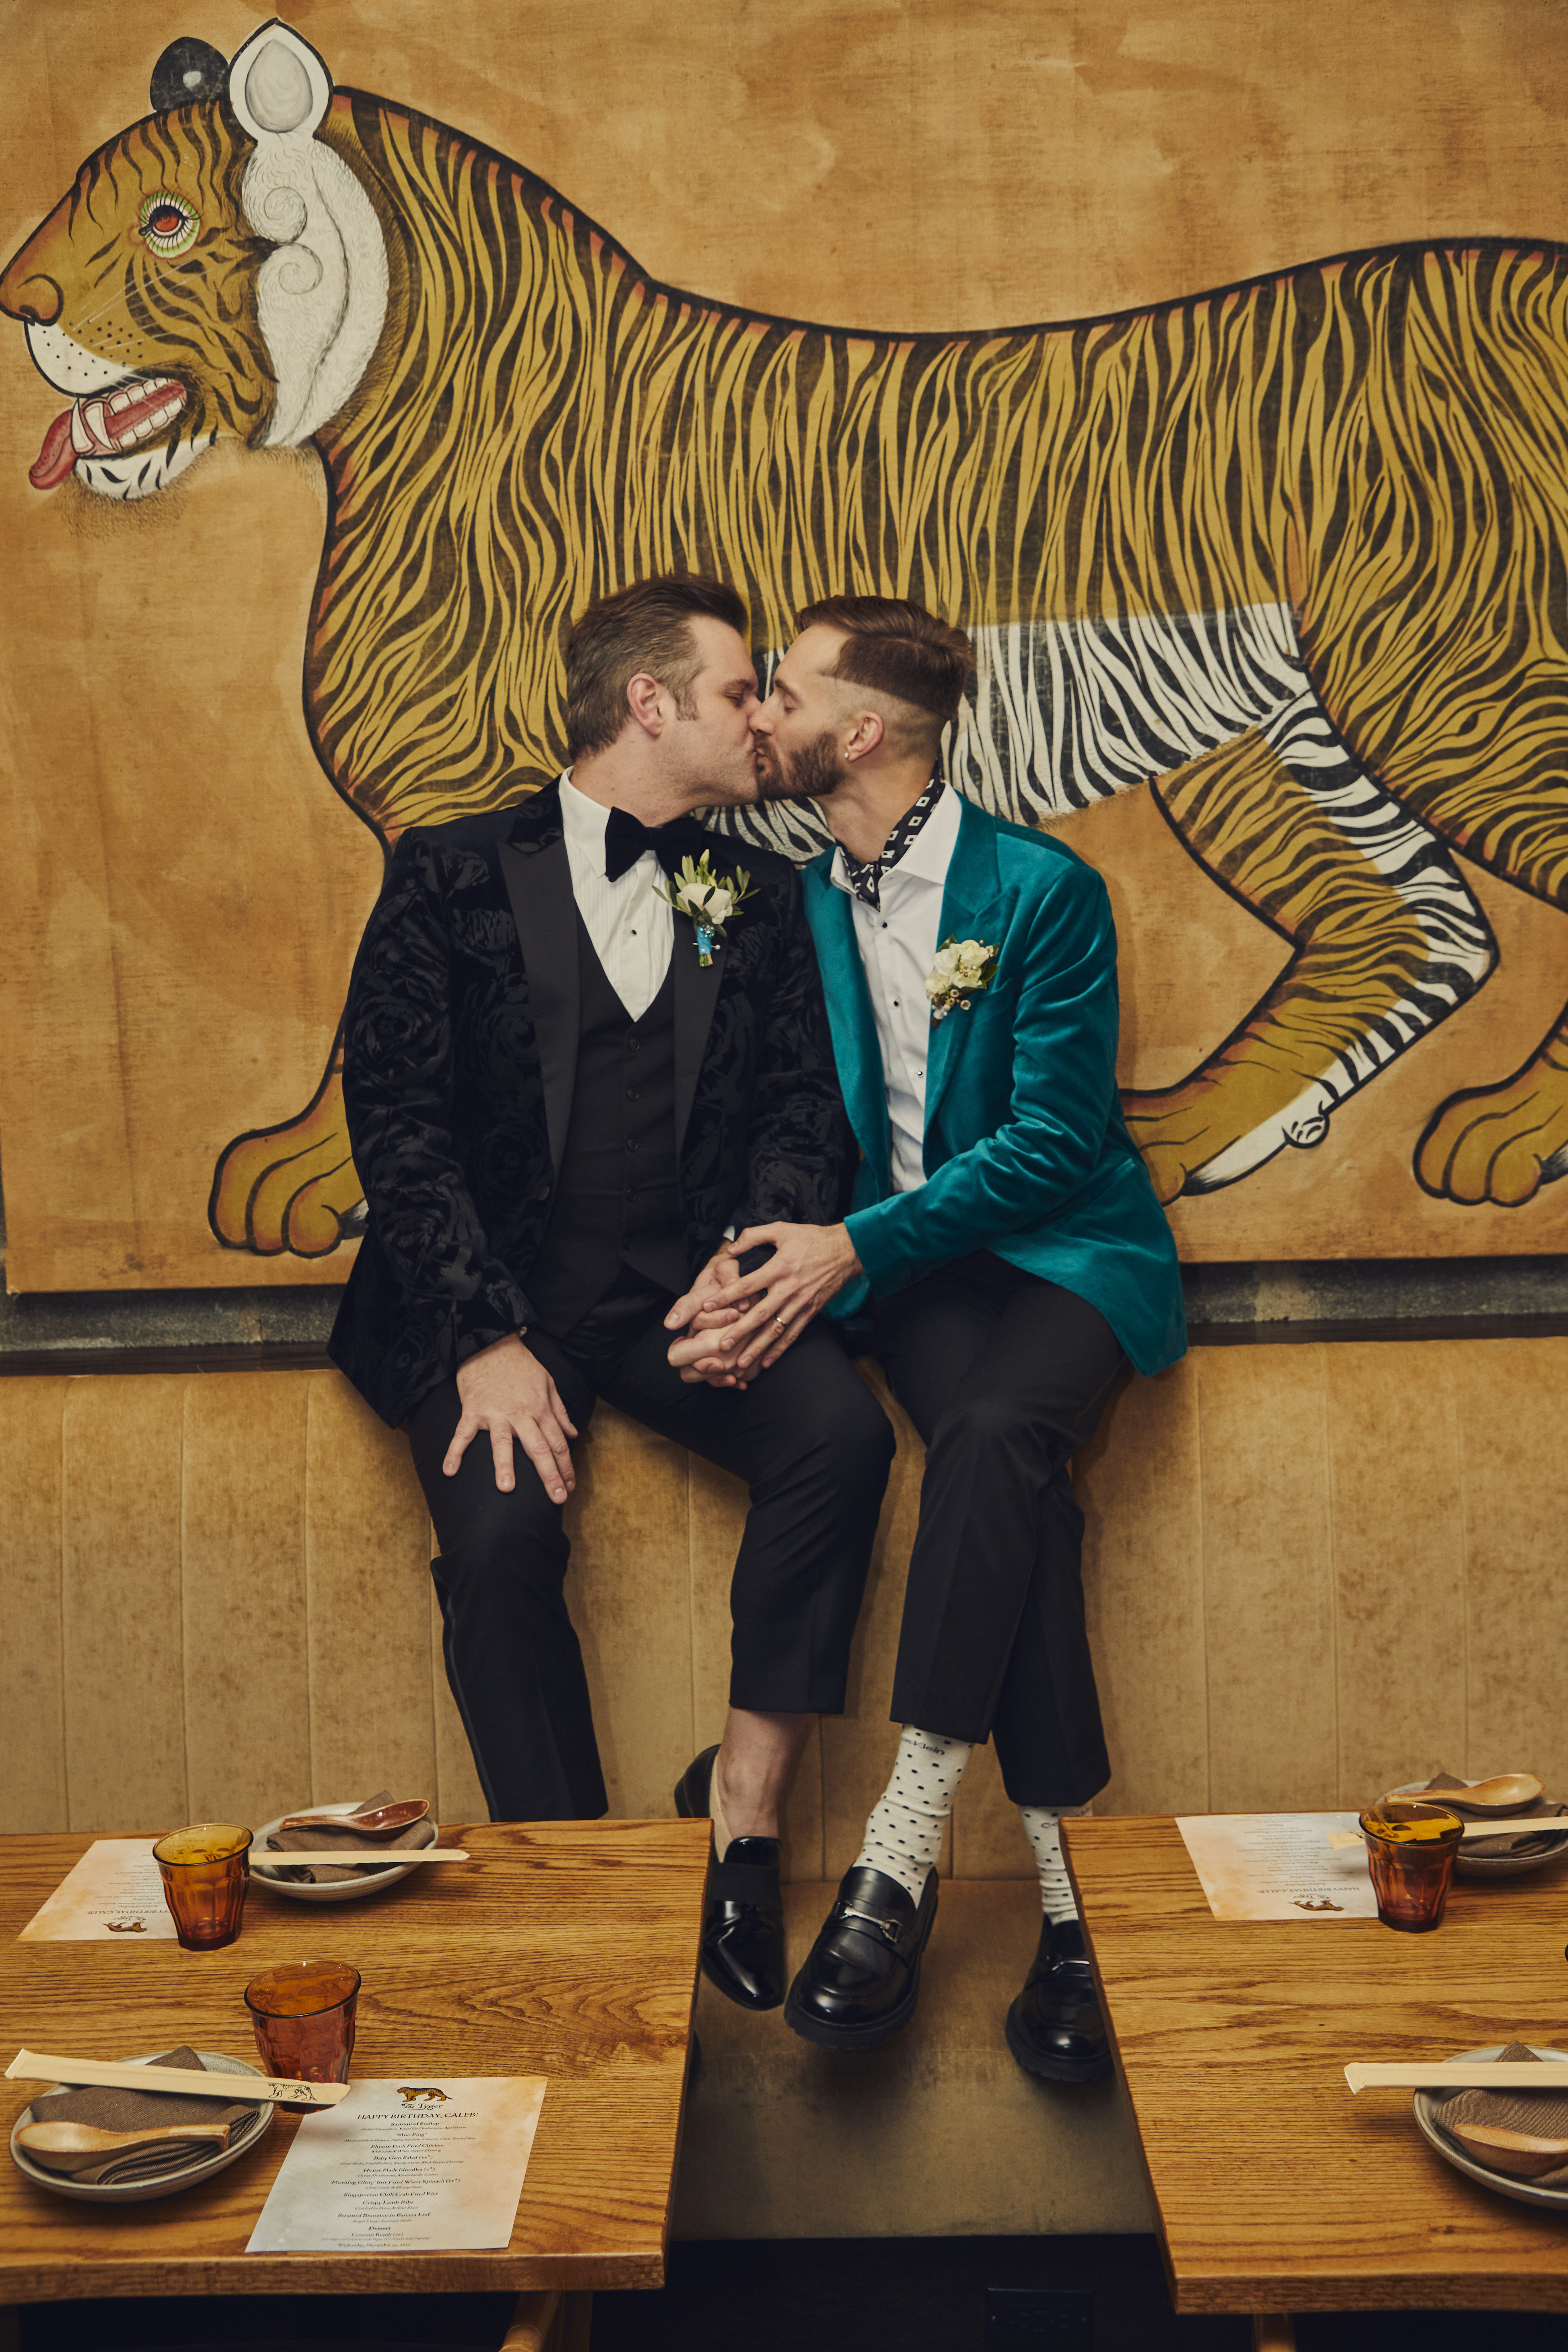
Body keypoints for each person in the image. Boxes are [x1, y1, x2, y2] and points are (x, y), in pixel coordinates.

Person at [329, 574, 895, 2013]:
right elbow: (399, 1122)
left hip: (672, 1301)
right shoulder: (450, 875)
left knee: (842, 1435)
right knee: (506, 1546)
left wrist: (753, 1258)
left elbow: (793, 1106)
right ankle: (580, 1900)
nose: (759, 716)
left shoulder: (736, 897)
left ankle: (741, 1829)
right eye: (731, 691)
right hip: (498, 1310)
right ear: (648, 705)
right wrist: (480, 1339)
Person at [669, 594, 1186, 2077]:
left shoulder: (1040, 891)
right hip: (920, 1281)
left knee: (997, 1433)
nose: (759, 714)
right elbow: (791, 1126)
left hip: (1068, 1256)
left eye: (784, 692)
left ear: (866, 729)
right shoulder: (797, 902)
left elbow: (1049, 1141)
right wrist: (749, 1271)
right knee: (999, 1469)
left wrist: (848, 1251)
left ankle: (898, 1847)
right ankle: (1071, 1912)